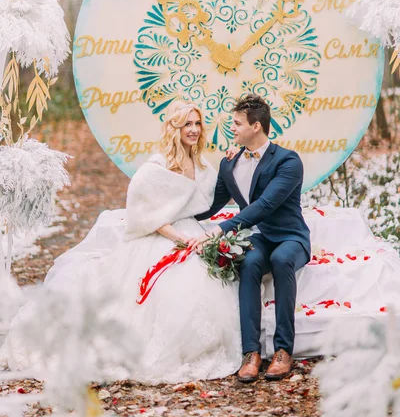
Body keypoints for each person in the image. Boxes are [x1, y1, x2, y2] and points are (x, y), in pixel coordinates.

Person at [2, 101, 242, 384]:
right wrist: (181, 239)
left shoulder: (201, 164)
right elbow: (144, 215)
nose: (192, 129)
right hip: (160, 236)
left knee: (208, 282)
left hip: (191, 231)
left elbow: (215, 199)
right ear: (173, 128)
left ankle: (200, 346)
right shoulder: (156, 167)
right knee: (169, 287)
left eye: (196, 124)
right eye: (186, 124)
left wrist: (231, 163)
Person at [194, 94, 311, 383]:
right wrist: (175, 213)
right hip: (257, 238)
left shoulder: (288, 161)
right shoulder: (229, 164)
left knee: (282, 259)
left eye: (237, 123)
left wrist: (222, 229)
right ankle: (251, 353)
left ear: (256, 126)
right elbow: (212, 204)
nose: (231, 128)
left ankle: (283, 350)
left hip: (290, 236)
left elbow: (266, 204)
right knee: (249, 262)